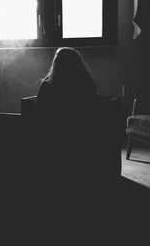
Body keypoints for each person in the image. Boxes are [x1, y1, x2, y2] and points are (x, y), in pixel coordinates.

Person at [31, 47, 101, 201]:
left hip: (52, 137)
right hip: (80, 136)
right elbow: (93, 113)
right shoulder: (87, 83)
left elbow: (37, 113)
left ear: (56, 64)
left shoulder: (47, 85)